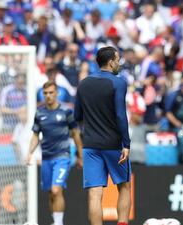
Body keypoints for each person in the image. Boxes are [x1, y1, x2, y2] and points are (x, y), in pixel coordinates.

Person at [74, 46, 131, 225]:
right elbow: (121, 115)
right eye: (118, 59)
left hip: (90, 145)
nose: (119, 63)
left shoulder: (83, 83)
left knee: (95, 192)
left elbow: (77, 116)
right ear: (111, 61)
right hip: (113, 144)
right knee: (124, 187)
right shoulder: (118, 82)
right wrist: (126, 144)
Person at [26, 81, 83, 225]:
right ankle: (55, 221)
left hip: (62, 156)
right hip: (46, 158)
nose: (48, 96)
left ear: (57, 93)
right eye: (45, 93)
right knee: (51, 194)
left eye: (51, 93)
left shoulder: (66, 112)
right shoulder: (39, 113)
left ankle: (59, 223)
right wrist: (30, 152)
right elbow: (35, 135)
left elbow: (75, 133)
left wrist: (81, 156)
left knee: (56, 190)